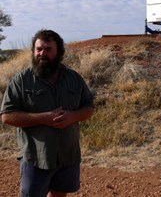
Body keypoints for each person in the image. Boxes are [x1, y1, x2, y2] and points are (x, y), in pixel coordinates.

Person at [1, 29, 94, 197]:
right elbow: (7, 116)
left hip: (67, 155)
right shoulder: (21, 80)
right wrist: (44, 118)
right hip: (36, 157)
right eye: (38, 49)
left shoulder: (74, 78)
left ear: (60, 53)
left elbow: (89, 107)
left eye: (48, 49)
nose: (42, 53)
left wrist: (72, 116)